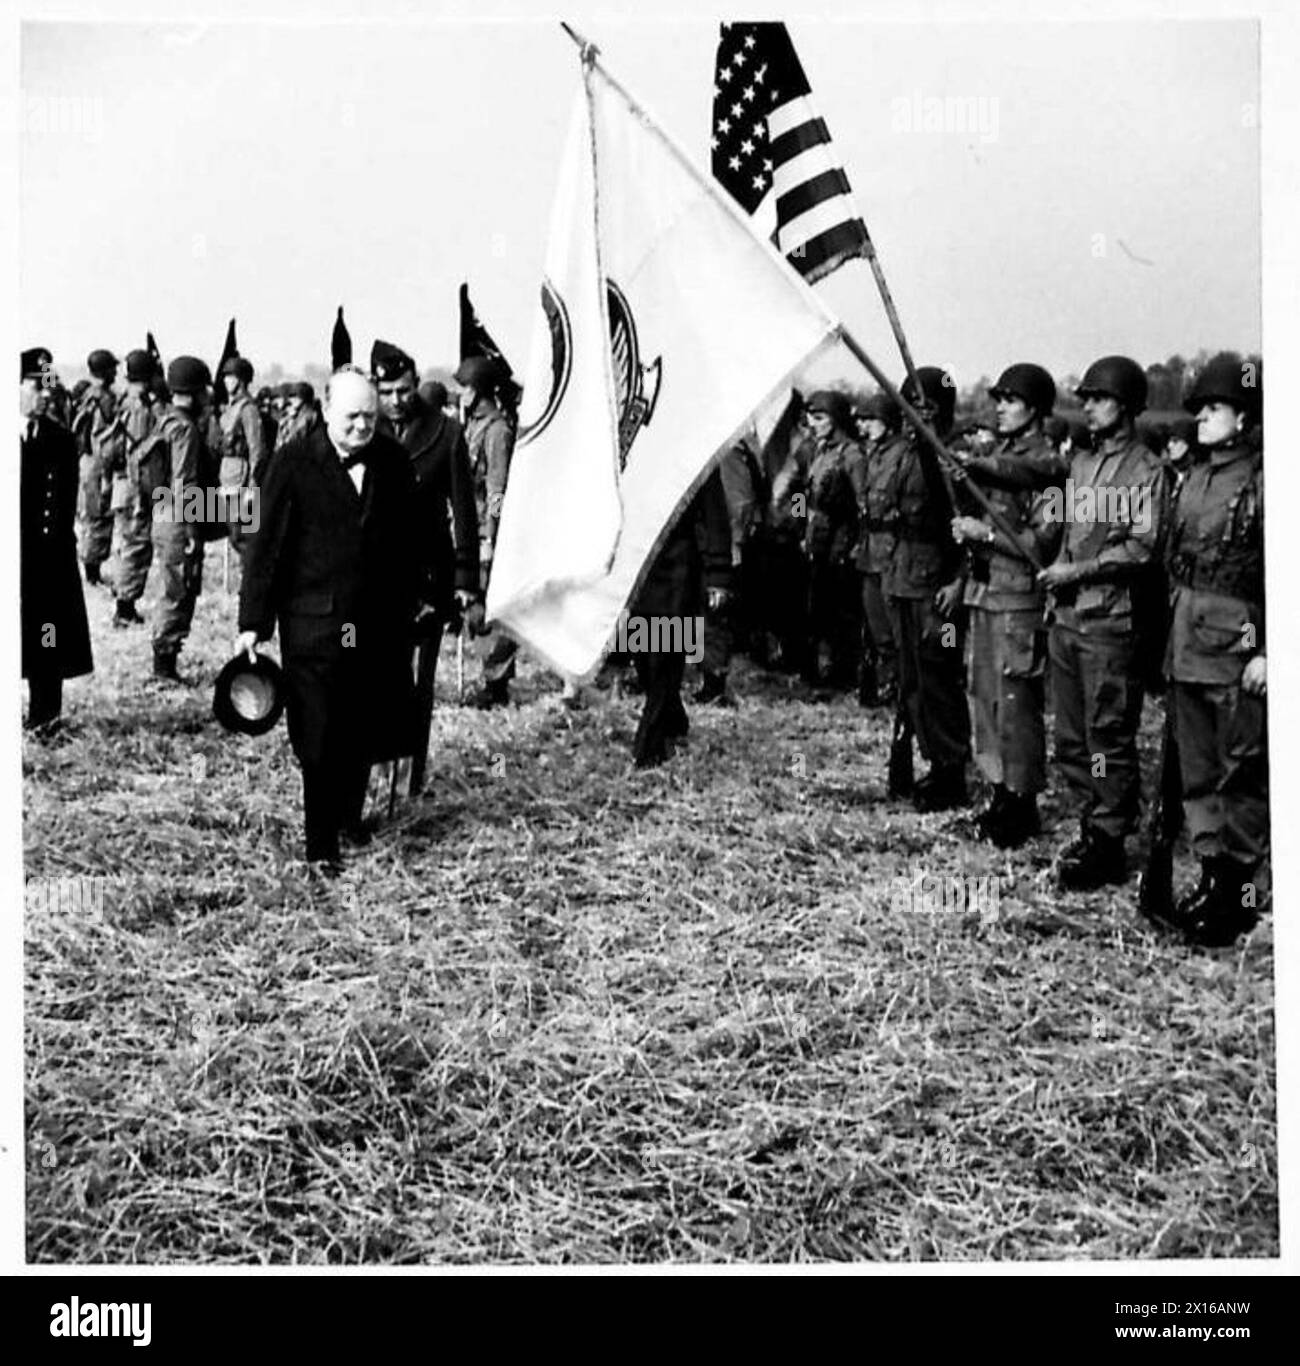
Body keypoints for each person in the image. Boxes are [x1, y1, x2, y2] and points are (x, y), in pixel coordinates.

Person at [237, 366, 420, 870]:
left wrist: (425, 597)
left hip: (375, 623)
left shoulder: (393, 461)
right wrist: (253, 622)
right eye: (352, 417)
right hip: (313, 626)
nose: (363, 427)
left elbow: (414, 539)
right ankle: (320, 845)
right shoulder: (291, 463)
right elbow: (266, 548)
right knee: (318, 738)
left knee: (362, 725)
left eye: (371, 417)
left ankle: (348, 818)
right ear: (326, 409)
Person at [1038, 355, 1167, 889]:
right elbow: (1063, 528)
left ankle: (1109, 839)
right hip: (1068, 619)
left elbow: (1142, 547)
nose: (1087, 406)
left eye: (1099, 397)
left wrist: (1079, 570)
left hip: (1110, 623)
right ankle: (1092, 822)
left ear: (1128, 405)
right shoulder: (1082, 465)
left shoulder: (1147, 471)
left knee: (1106, 734)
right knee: (1070, 737)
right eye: (1085, 397)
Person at [1159, 354, 1266, 946]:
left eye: (1215, 409)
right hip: (1188, 642)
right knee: (1198, 769)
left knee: (1240, 771)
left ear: (1244, 418)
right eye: (1199, 408)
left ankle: (1241, 891)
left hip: (1236, 648)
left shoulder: (1263, 480)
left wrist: (1269, 651)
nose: (1201, 417)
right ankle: (1212, 873)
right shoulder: (1196, 476)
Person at [949, 363, 1067, 847]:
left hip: (1019, 600)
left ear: (1035, 411)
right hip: (985, 595)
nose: (999, 406)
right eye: (996, 397)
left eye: (1010, 399)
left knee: (1017, 707)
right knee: (985, 701)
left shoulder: (1051, 470)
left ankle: (1021, 804)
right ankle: (998, 794)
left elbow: (1042, 544)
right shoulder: (997, 454)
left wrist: (988, 534)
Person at [372, 343, 479, 795]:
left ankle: (408, 782)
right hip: (372, 579)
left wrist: (466, 583)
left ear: (416, 385)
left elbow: (465, 514)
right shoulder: (364, 430)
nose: (397, 399)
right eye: (388, 391)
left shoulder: (446, 434)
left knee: (418, 682)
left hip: (425, 581)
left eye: (405, 389)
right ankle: (375, 772)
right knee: (375, 678)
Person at [884, 365, 971, 811]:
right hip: (902, 579)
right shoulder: (901, 453)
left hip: (938, 586)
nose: (914, 415)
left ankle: (951, 769)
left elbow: (972, 527)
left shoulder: (951, 456)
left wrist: (960, 582)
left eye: (924, 407)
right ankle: (926, 760)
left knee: (940, 678)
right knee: (912, 678)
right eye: (909, 405)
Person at [630, 469, 733, 768]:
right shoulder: (633, 444)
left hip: (680, 572)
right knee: (644, 661)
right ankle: (673, 719)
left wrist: (719, 574)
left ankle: (648, 748)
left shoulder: (697, 449)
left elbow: (716, 517)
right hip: (641, 569)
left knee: (665, 661)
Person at [21, 348, 93, 731]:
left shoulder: (61, 440)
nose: (46, 394)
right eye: (37, 386)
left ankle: (45, 717)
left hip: (48, 561)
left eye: (49, 386)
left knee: (47, 637)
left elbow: (64, 505)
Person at [456, 355, 518, 708]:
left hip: (486, 529)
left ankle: (496, 684)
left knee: (490, 609)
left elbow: (497, 488)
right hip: (471, 525)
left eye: (465, 387)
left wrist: (491, 535)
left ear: (478, 390)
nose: (460, 393)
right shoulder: (473, 426)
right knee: (475, 607)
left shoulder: (496, 431)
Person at [148, 357, 214, 682]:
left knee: (170, 586)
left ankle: (164, 660)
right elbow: (185, 482)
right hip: (178, 517)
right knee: (179, 589)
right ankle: (164, 667)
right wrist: (191, 529)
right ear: (195, 391)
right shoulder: (185, 429)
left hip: (162, 513)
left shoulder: (164, 421)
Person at [801, 390, 862, 694]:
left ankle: (843, 675)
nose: (812, 423)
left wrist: (855, 543)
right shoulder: (818, 452)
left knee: (842, 613)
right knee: (819, 610)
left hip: (841, 541)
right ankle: (823, 671)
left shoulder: (852, 455)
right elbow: (805, 496)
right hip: (818, 539)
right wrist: (803, 527)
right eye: (811, 417)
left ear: (836, 420)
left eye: (820, 417)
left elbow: (863, 504)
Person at [851, 391, 905, 706]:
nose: (865, 426)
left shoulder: (900, 454)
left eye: (871, 420)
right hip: (870, 550)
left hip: (892, 552)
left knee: (894, 629)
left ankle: (899, 690)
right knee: (877, 627)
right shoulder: (874, 454)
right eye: (862, 420)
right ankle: (886, 687)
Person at [107, 348, 162, 627]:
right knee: (135, 547)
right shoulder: (139, 409)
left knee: (129, 546)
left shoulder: (126, 401)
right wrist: (144, 496)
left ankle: (123, 602)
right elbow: (139, 456)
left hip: (124, 488)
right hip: (134, 489)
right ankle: (124, 608)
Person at [73, 347, 120, 586]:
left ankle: (92, 570)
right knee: (98, 517)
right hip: (97, 464)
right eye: (112, 367)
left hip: (87, 462)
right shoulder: (102, 398)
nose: (116, 371)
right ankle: (92, 574)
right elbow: (103, 437)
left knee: (93, 516)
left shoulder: (88, 395)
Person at [216, 355, 268, 561]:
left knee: (243, 537)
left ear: (242, 379)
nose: (227, 381)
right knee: (235, 535)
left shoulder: (248, 409)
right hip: (229, 476)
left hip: (242, 479)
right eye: (226, 376)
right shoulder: (231, 408)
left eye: (232, 376)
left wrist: (252, 488)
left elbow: (257, 449)